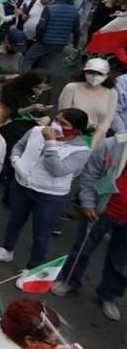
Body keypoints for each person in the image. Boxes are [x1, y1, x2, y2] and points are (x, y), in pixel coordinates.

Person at [0, 109, 92, 273]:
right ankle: (6, 250)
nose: (56, 125)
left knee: (41, 234)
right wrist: (16, 161)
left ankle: (33, 268)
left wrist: (51, 143)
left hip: (50, 196)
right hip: (22, 186)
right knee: (15, 221)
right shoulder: (35, 131)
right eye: (57, 119)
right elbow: (19, 146)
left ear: (76, 130)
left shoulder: (82, 151)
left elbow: (58, 170)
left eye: (63, 123)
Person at [51, 136, 127, 322]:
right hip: (101, 210)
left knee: (121, 260)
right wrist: (87, 202)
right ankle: (69, 281)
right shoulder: (114, 144)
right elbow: (90, 174)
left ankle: (108, 296)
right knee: (83, 249)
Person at [58, 57, 117, 149]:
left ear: (107, 75)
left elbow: (106, 122)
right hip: (68, 137)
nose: (94, 76)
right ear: (84, 72)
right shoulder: (71, 88)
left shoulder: (112, 93)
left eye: (99, 73)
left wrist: (92, 144)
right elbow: (62, 116)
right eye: (90, 72)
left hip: (96, 139)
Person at [23, 0, 80, 73]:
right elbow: (76, 30)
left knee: (28, 59)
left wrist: (38, 38)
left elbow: (41, 26)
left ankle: (24, 79)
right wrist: (75, 44)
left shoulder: (49, 8)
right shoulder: (74, 10)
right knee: (46, 64)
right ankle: (39, 82)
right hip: (60, 44)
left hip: (45, 41)